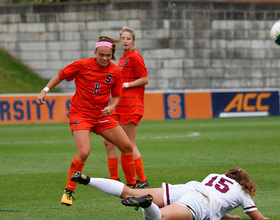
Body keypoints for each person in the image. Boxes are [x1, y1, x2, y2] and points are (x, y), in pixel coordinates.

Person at [36, 36, 138, 206]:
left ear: (112, 54)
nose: (105, 58)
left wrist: (112, 106)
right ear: (95, 53)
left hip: (101, 115)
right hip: (80, 114)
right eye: (101, 55)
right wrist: (44, 90)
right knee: (84, 152)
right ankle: (68, 192)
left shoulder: (115, 71)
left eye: (108, 55)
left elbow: (117, 96)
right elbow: (60, 76)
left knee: (127, 147)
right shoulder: (82, 65)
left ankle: (132, 189)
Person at [70, 167, 268, 220]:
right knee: (159, 218)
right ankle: (147, 204)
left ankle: (88, 180)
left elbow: (219, 199)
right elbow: (257, 218)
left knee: (130, 191)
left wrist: (226, 216)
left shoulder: (214, 176)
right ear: (245, 182)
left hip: (188, 189)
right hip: (200, 203)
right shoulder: (243, 192)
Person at [104, 26, 149, 187]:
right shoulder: (122, 58)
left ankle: (142, 179)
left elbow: (144, 79)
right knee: (108, 141)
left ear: (133, 41)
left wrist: (126, 84)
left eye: (128, 38)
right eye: (123, 38)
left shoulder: (135, 56)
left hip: (132, 105)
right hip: (118, 105)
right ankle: (114, 179)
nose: (125, 41)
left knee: (128, 143)